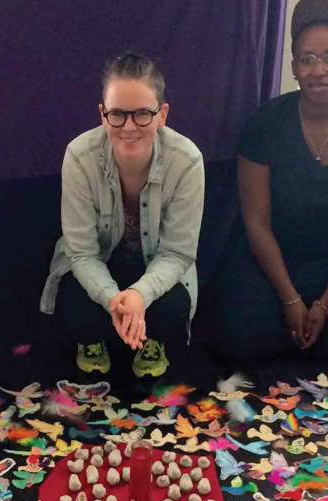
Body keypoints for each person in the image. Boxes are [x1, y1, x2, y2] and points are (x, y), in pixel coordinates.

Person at [213, 0, 328, 369]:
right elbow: (257, 223)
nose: (319, 70)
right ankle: (297, 322)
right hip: (273, 254)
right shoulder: (263, 124)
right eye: (307, 59)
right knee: (240, 342)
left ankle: (316, 323)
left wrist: (325, 302)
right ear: (294, 68)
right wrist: (290, 299)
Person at [40, 52, 205, 378]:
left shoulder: (187, 161)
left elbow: (177, 252)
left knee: (172, 310)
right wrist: (115, 300)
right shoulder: (78, 156)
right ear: (103, 115)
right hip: (99, 266)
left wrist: (140, 296)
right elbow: (82, 252)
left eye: (143, 114)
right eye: (118, 114)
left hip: (154, 268)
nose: (129, 127)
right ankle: (94, 339)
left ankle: (149, 338)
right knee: (78, 310)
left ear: (163, 115)